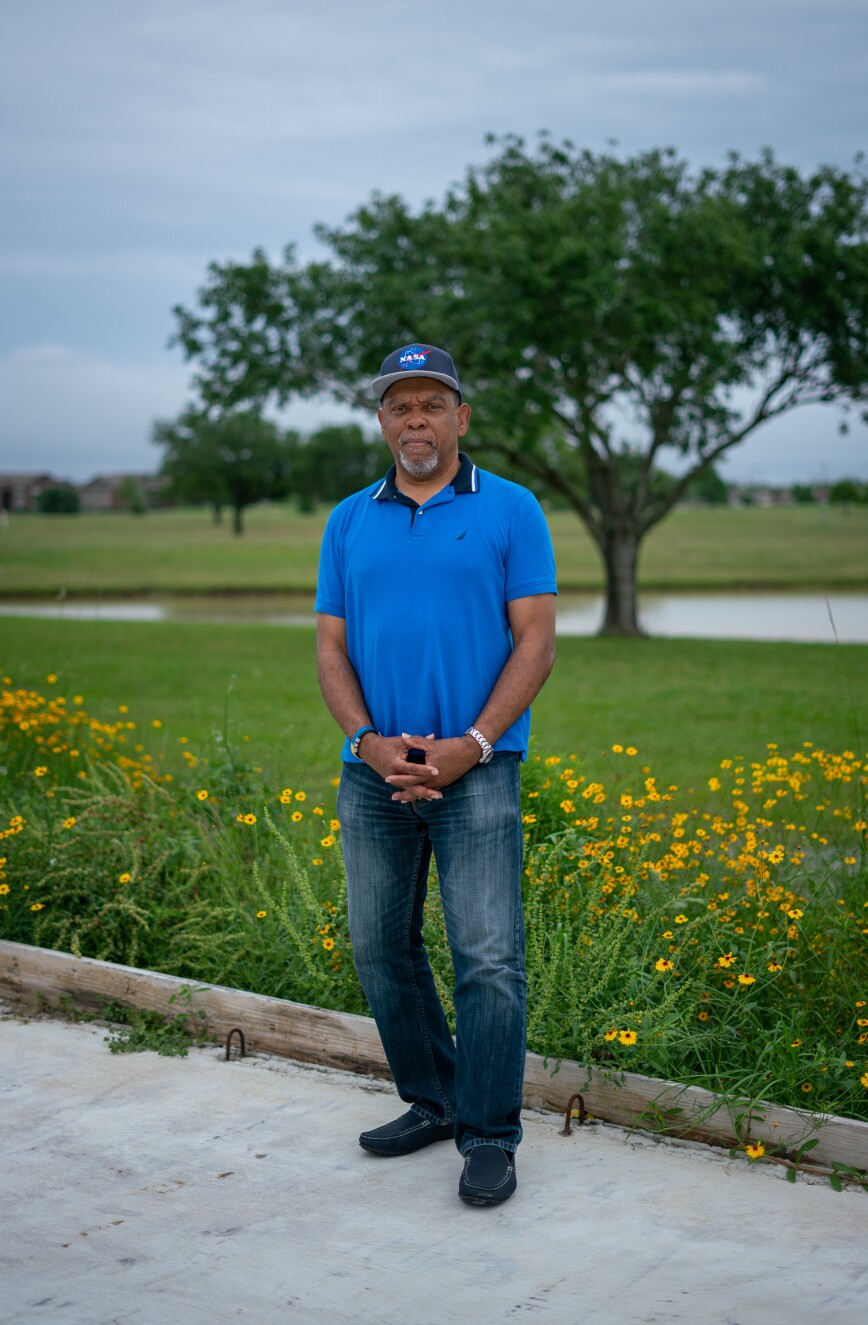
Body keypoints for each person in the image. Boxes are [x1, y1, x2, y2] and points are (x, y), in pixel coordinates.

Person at [315, 342, 556, 1206]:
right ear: (381, 421)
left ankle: (490, 1133)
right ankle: (436, 1098)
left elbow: (536, 637)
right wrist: (370, 741)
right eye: (398, 405)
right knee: (382, 947)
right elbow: (331, 644)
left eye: (431, 403)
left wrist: (474, 744)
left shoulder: (512, 509)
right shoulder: (348, 519)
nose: (415, 419)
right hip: (373, 771)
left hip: (479, 768)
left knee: (488, 958)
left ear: (461, 416)